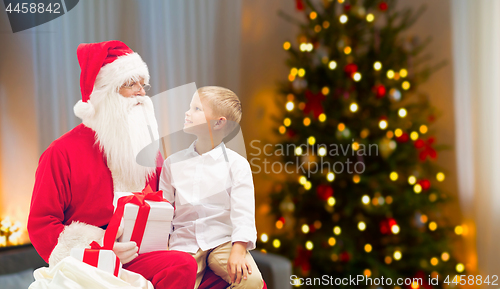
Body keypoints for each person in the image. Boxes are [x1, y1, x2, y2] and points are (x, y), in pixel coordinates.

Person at [28, 40, 201, 289]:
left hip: (144, 254)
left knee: (204, 268)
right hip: (90, 261)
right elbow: (41, 223)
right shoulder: (61, 152)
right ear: (105, 93)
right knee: (182, 266)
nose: (142, 92)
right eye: (131, 84)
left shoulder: (149, 151)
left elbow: (167, 201)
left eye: (143, 84)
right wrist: (100, 249)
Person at [159, 86, 264, 289]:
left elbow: (244, 213)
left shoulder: (237, 165)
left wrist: (239, 250)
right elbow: (164, 210)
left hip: (221, 240)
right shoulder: (172, 163)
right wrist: (162, 248)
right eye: (190, 107)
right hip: (183, 242)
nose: (187, 113)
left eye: (197, 109)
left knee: (251, 281)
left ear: (219, 122)